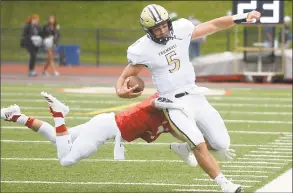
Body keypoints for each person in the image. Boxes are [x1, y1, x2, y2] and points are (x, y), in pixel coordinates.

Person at [115, 4, 261, 193]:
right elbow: (123, 76)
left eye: (163, 26)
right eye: (156, 29)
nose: (161, 31)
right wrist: (120, 91)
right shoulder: (142, 48)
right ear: (148, 30)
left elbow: (214, 25)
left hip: (194, 95)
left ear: (168, 22)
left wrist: (242, 17)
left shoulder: (181, 29)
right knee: (198, 143)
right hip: (171, 102)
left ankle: (185, 148)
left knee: (221, 144)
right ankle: (225, 185)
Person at [1, 85, 235, 168]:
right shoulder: (160, 106)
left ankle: (15, 116)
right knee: (66, 159)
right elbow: (155, 100)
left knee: (57, 137)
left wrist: (192, 148)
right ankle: (58, 113)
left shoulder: (174, 121)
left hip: (105, 123)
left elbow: (189, 136)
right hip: (105, 128)